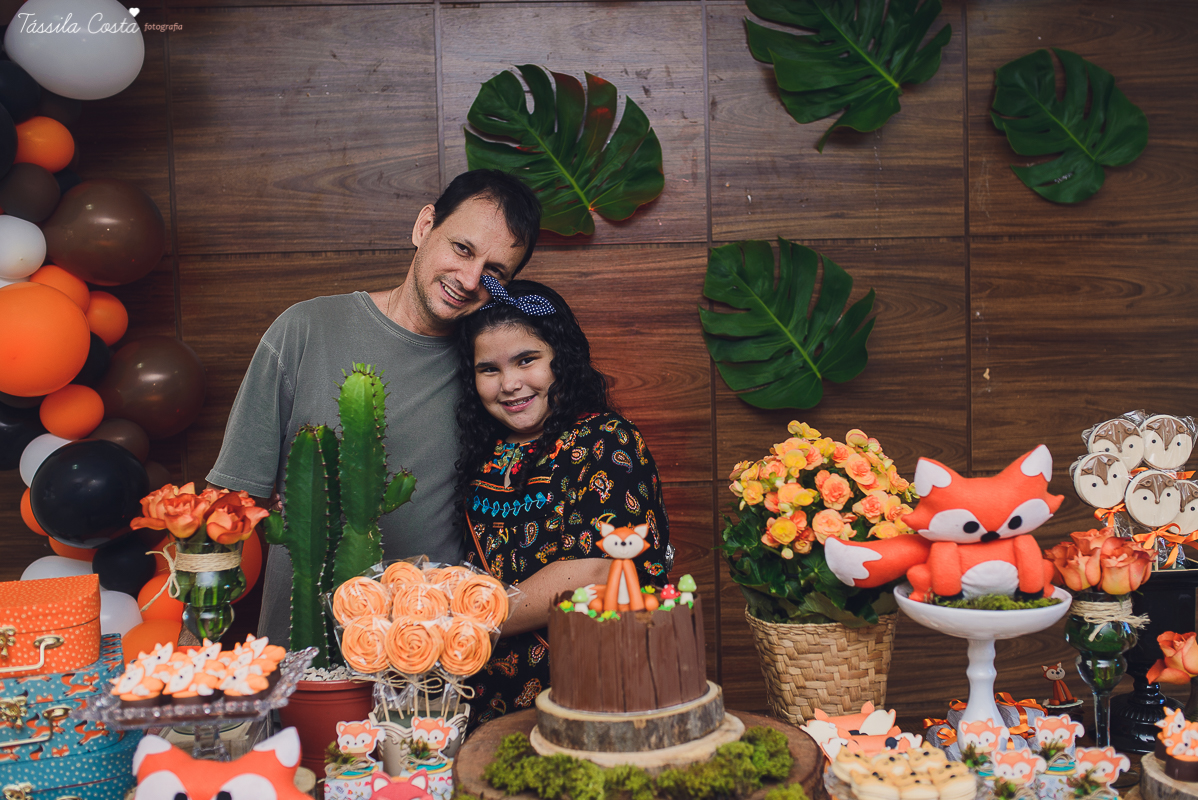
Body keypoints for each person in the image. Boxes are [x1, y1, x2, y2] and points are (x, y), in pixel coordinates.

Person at [206, 170, 541, 645]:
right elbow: (229, 502)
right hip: (301, 652)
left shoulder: (493, 370)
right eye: (462, 249)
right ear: (425, 226)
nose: (469, 280)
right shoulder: (305, 329)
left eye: (494, 273)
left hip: (428, 661)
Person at [455, 277, 671, 728]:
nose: (510, 383)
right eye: (488, 369)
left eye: (527, 360)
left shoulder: (605, 440)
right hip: (488, 694)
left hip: (591, 685)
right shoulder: (483, 454)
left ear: (560, 360)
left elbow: (597, 570)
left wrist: (462, 619)